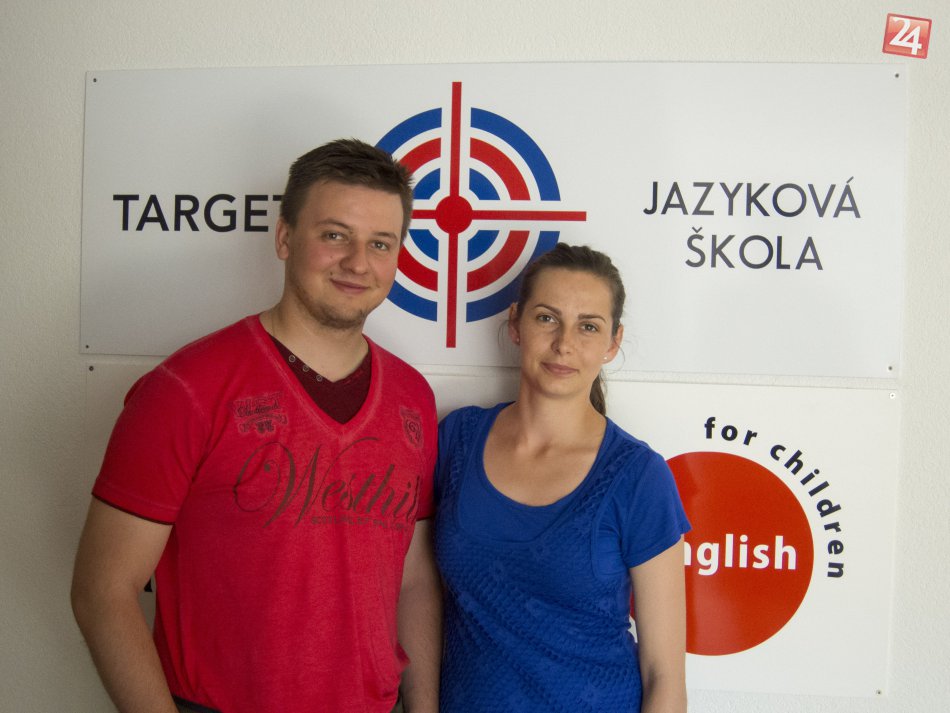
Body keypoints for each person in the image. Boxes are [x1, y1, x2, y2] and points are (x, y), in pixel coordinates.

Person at [71, 139, 441, 713]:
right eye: (335, 235)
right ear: (285, 237)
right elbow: (103, 592)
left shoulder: (413, 398)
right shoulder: (186, 389)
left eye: (380, 243)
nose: (358, 262)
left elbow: (412, 578)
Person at [434, 243, 690, 712]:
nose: (564, 343)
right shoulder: (457, 440)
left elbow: (665, 676)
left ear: (613, 342)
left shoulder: (637, 476)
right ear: (516, 323)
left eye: (588, 326)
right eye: (547, 318)